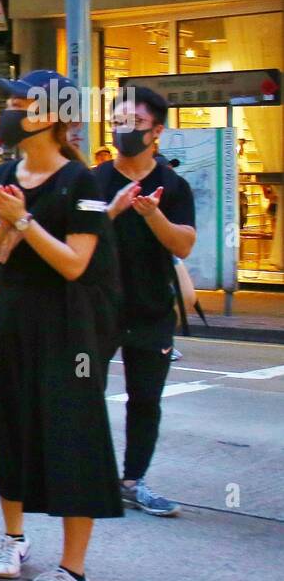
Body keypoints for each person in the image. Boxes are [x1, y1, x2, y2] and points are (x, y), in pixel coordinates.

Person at [0, 70, 122, 581]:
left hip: (67, 327)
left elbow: (76, 264)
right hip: (10, 319)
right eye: (7, 101)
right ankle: (13, 539)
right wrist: (6, 224)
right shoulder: (5, 173)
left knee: (72, 436)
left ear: (53, 115)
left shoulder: (83, 183)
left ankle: (72, 571)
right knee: (9, 426)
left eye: (20, 103)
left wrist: (24, 222)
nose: (8, 111)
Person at [97, 87, 196, 517]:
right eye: (119, 121)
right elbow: (73, 236)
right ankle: (88, 474)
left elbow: (185, 245)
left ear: (157, 131)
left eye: (136, 123)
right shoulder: (93, 179)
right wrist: (116, 210)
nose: (125, 130)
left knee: (146, 399)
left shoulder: (173, 185)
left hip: (151, 309)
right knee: (83, 391)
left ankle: (133, 480)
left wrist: (153, 214)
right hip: (97, 306)